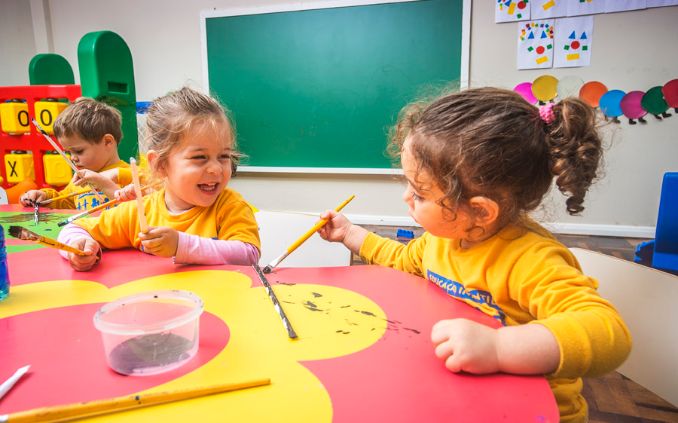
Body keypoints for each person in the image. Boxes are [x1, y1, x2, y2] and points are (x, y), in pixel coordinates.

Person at [318, 87, 632, 422]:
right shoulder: (442, 239)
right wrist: (350, 234)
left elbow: (608, 333)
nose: (406, 199)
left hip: (533, 411)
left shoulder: (530, 259)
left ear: (480, 212)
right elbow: (403, 261)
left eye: (420, 193)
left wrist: (500, 348)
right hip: (460, 394)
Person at [57, 87, 260, 270]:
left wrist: (181, 245)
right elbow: (74, 228)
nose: (217, 168)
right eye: (200, 157)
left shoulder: (229, 206)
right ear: (160, 164)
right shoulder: (140, 211)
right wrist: (79, 247)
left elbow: (249, 254)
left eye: (224, 156)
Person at [19, 98, 130, 209]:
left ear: (107, 142)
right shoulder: (80, 177)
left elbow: (136, 208)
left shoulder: (128, 176)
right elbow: (65, 201)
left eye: (79, 151)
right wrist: (44, 197)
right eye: (68, 152)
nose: (73, 158)